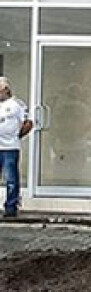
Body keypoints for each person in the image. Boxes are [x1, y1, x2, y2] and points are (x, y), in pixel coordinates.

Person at [0, 77, 33, 219]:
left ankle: (11, 206)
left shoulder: (16, 104)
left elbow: (28, 122)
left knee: (11, 178)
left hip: (9, 148)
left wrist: (17, 135)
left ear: (5, 89)